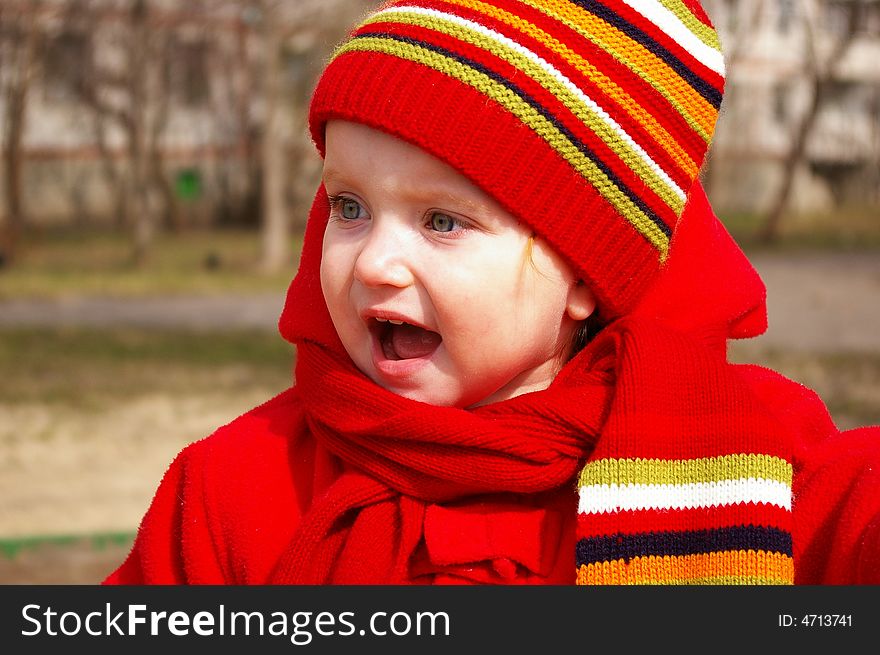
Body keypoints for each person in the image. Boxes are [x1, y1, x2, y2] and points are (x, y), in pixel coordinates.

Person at [103, 0, 880, 585]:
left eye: (441, 220)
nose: (375, 262)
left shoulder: (745, 466)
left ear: (584, 272)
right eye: (348, 207)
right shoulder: (238, 487)